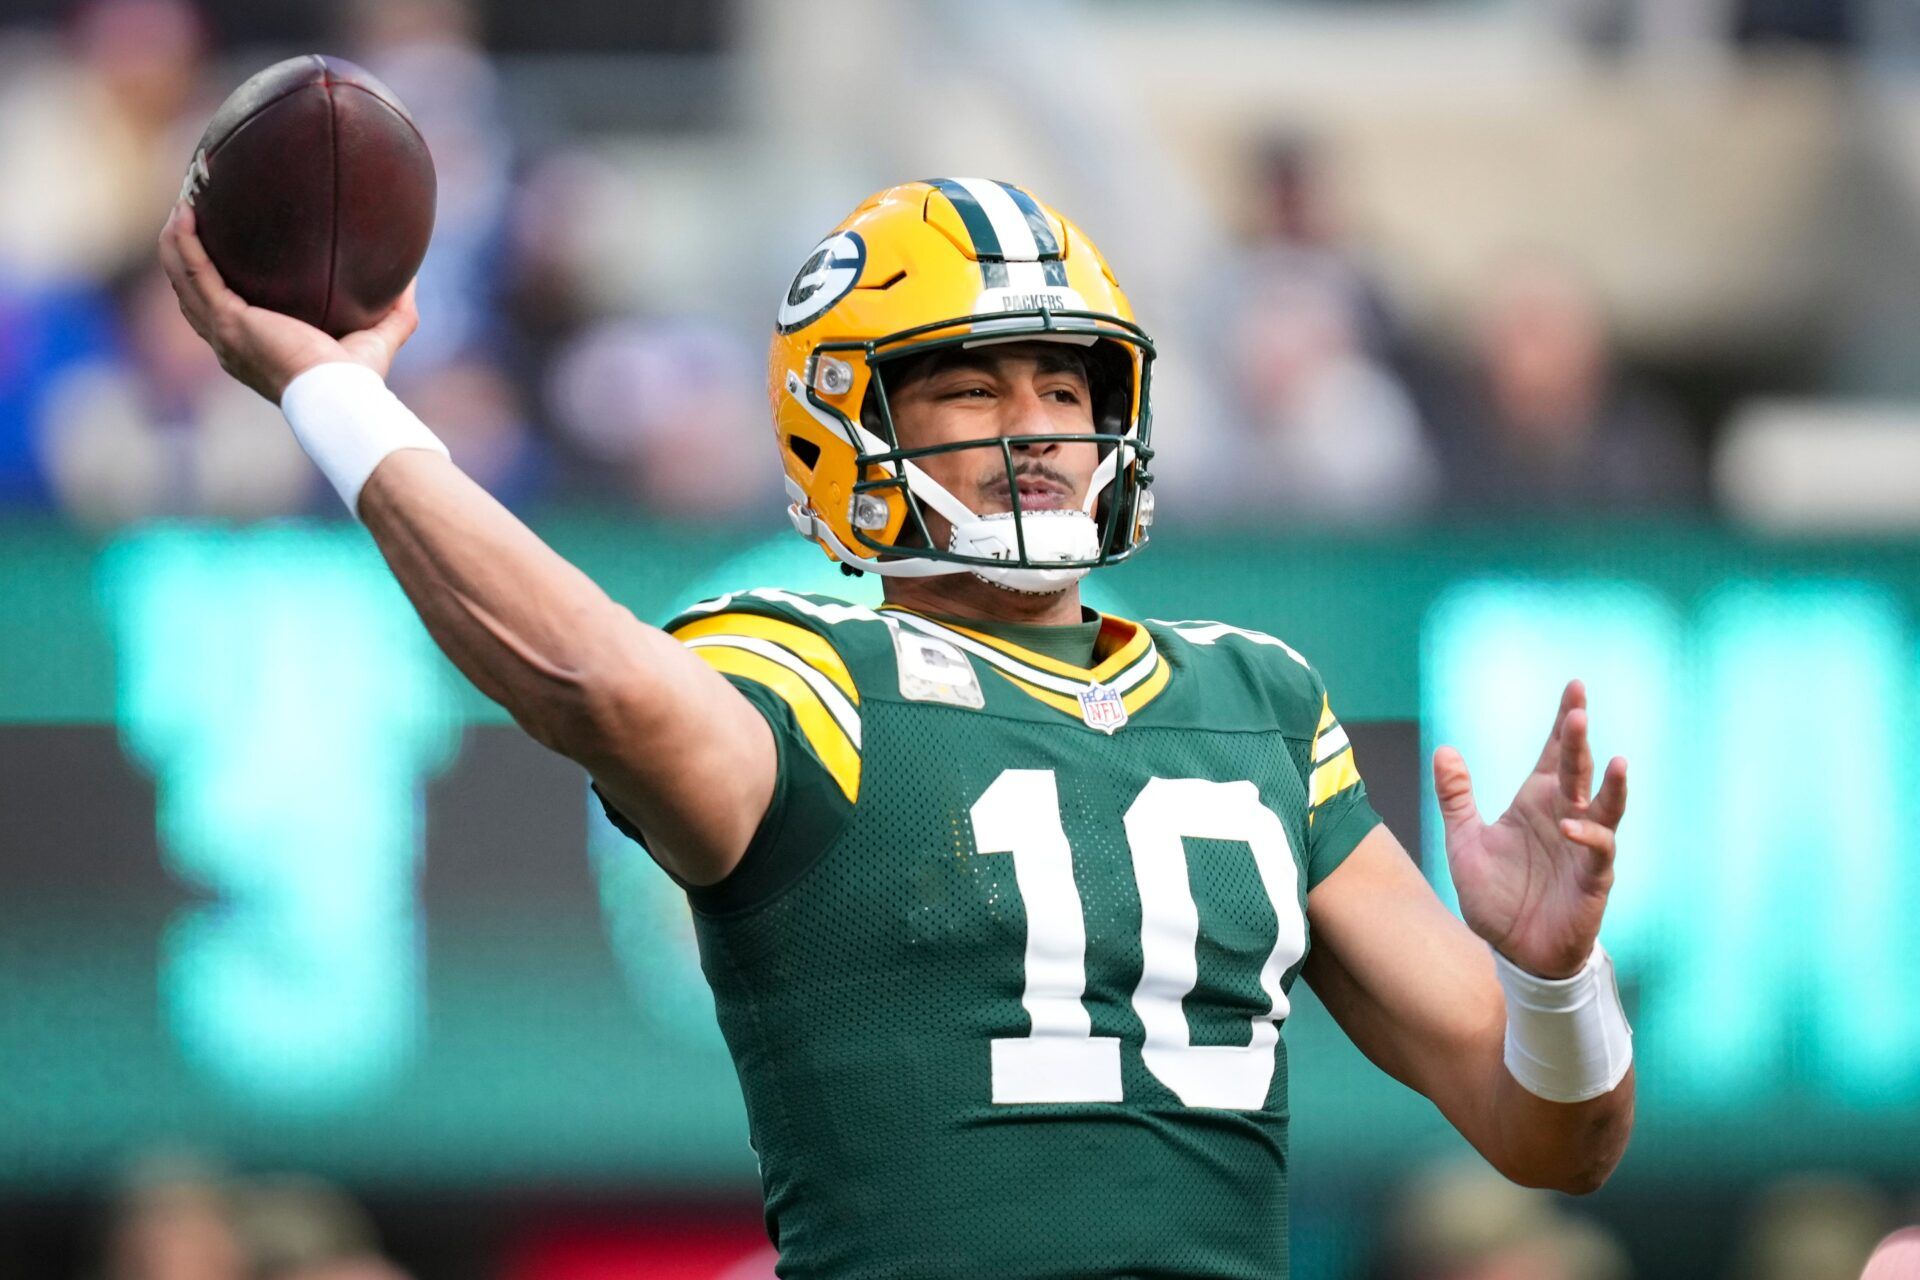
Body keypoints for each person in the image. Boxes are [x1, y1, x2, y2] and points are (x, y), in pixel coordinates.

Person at [159, 177, 1636, 1280]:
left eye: (1065, 383)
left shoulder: (1257, 700)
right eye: (973, 387)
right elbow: (589, 680)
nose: (1037, 426)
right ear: (847, 424)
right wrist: (335, 397)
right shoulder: (807, 671)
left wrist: (1556, 980)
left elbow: (1551, 1138)